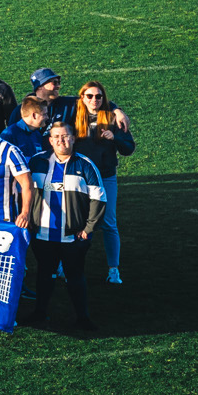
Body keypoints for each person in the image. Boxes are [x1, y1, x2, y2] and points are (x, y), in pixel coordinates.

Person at [28, 122, 108, 332]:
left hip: (74, 237)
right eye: (56, 137)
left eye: (65, 136)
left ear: (73, 138)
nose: (61, 141)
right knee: (44, 275)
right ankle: (40, 313)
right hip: (42, 235)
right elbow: (21, 192)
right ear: (50, 140)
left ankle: (83, 318)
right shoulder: (36, 162)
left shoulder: (85, 164)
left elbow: (99, 199)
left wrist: (88, 230)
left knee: (75, 276)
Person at [69, 80, 136, 284]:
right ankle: (66, 264)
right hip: (78, 178)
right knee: (74, 221)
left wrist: (114, 137)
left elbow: (129, 148)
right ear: (82, 97)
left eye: (98, 96)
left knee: (108, 223)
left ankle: (113, 269)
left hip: (105, 177)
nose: (94, 100)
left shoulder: (112, 118)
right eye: (89, 96)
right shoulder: (73, 115)